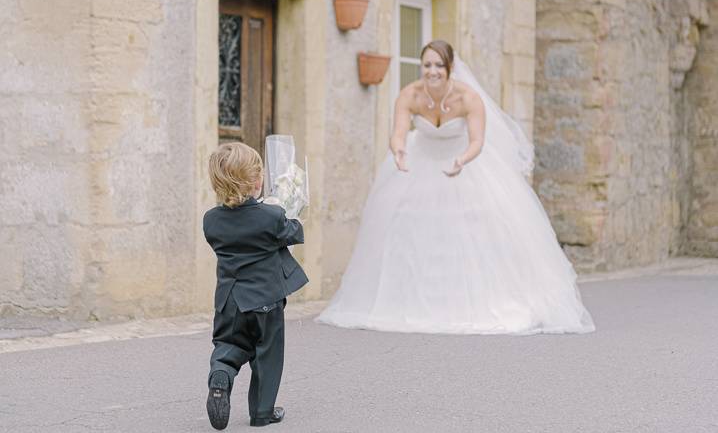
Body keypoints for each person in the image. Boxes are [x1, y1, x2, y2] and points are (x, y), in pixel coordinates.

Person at [316, 40, 595, 335]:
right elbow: (398, 133)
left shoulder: (468, 98)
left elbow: (477, 140)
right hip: (420, 163)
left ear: (450, 68)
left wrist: (462, 159)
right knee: (409, 231)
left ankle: (472, 301)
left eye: (439, 65)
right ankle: (405, 301)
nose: (432, 71)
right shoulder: (409, 95)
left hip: (462, 164)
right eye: (427, 65)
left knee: (470, 233)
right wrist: (398, 151)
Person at [203, 142, 308, 429]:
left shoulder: (210, 221)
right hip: (266, 301)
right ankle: (262, 412)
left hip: (229, 301)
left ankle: (221, 377)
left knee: (228, 345)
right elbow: (294, 231)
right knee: (267, 354)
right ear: (256, 181)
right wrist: (287, 209)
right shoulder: (270, 217)